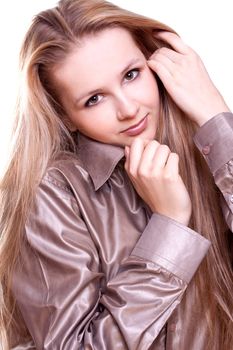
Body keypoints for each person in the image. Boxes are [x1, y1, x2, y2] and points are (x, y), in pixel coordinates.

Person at [0, 0, 232, 349]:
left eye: (131, 74)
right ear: (64, 115)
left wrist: (217, 117)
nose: (128, 109)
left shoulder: (206, 148)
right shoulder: (50, 193)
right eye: (94, 99)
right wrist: (169, 225)